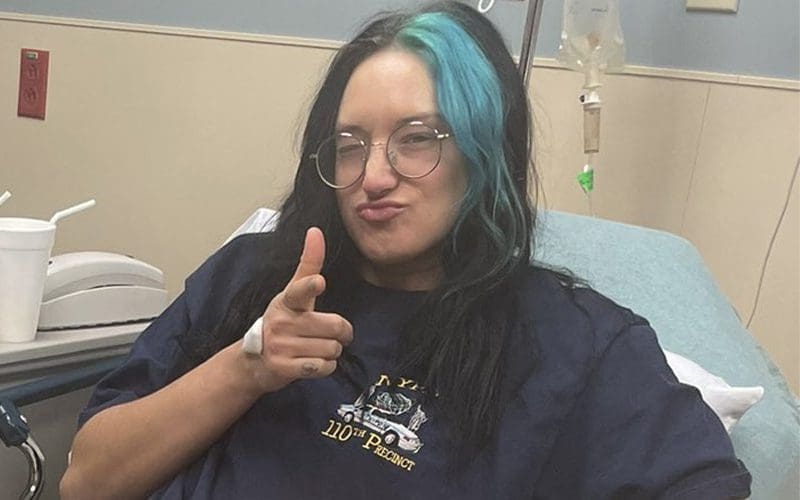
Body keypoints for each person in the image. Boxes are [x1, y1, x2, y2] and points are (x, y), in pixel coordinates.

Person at [60, 2, 752, 499]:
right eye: (350, 144)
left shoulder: (574, 346)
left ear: (484, 151)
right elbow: (86, 480)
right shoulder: (249, 280)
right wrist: (248, 366)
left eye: (416, 138)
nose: (373, 175)